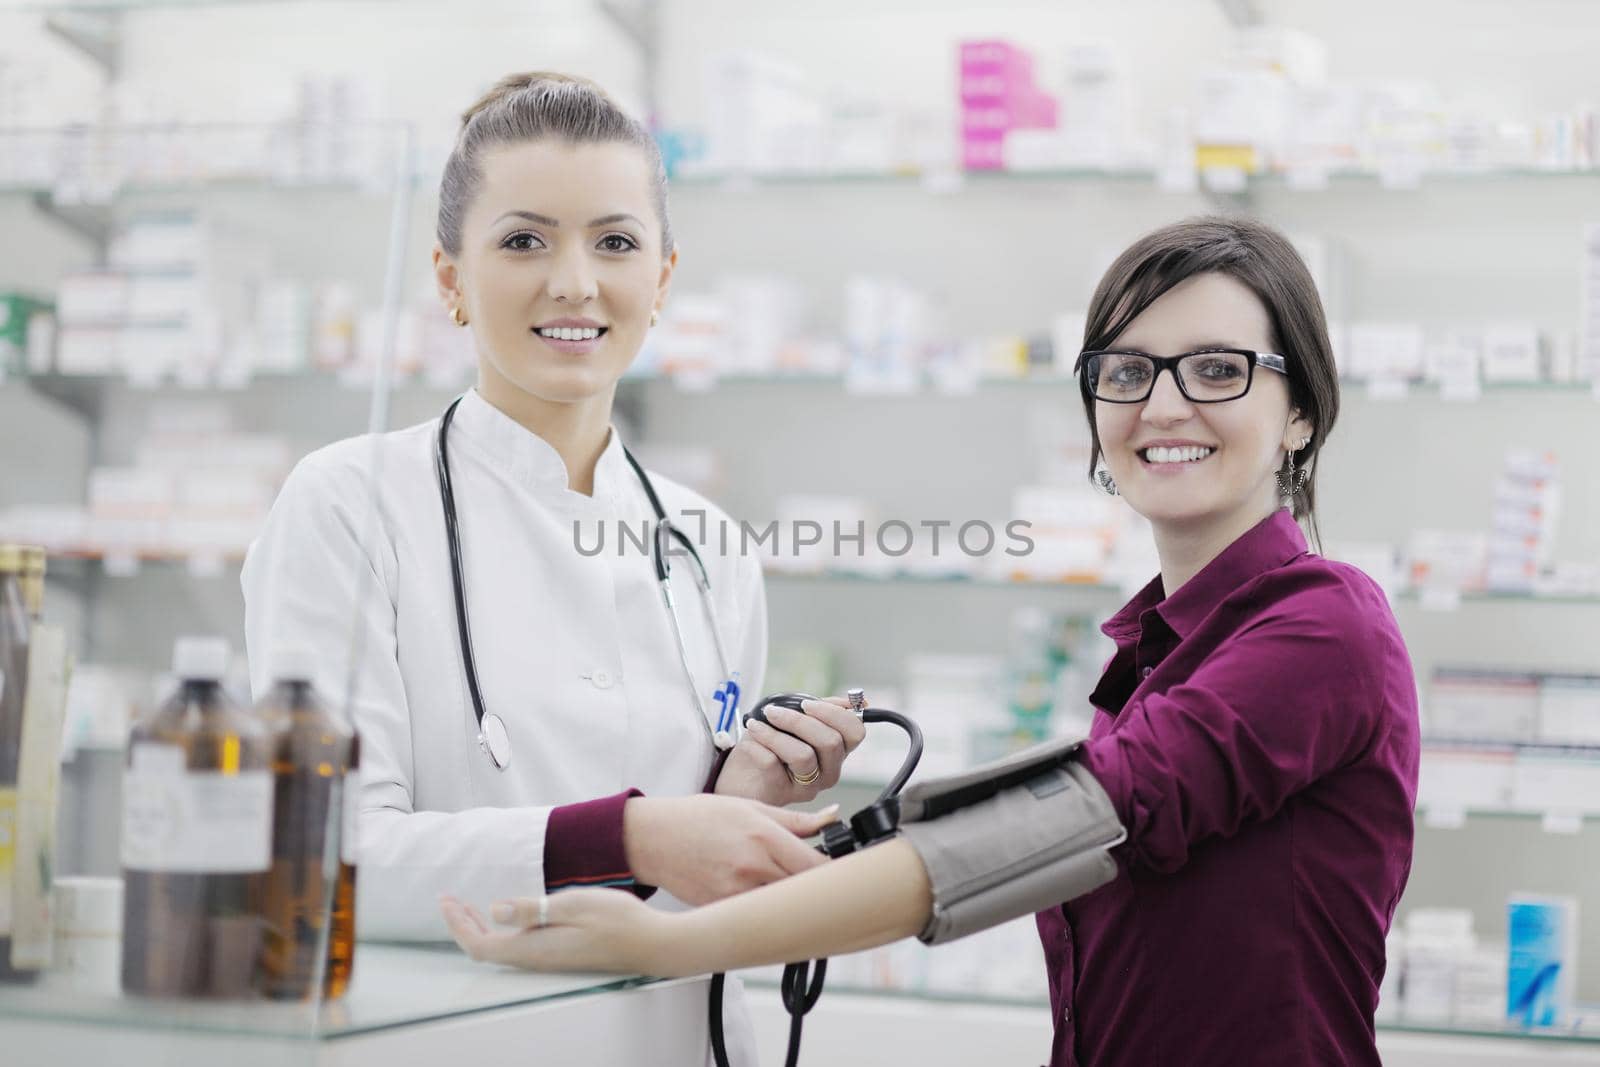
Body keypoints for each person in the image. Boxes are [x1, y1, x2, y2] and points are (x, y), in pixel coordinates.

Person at [439, 216, 1422, 1067]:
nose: (1162, 405)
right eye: (1125, 370)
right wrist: (764, 833)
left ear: (1298, 412)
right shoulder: (1155, 651)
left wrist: (670, 944)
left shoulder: (1325, 624)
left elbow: (1082, 817)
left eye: (1217, 368)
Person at [242, 72, 867, 1064]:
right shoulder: (349, 503)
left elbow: (684, 871)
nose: (574, 281)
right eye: (524, 240)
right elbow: (321, 856)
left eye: (614, 242)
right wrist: (631, 834)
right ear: (449, 277)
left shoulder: (709, 542)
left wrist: (742, 789)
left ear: (661, 278)